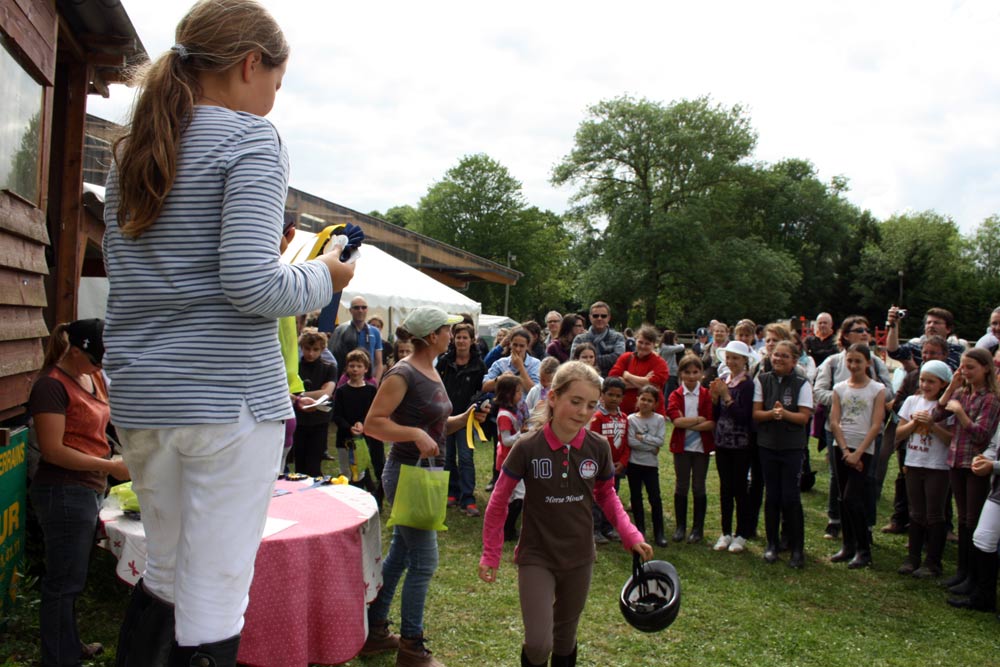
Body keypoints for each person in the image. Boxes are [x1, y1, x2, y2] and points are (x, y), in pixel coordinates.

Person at [104, 2, 356, 662]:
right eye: (278, 78)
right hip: (225, 406)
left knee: (163, 576)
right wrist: (327, 275)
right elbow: (252, 286)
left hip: (143, 400)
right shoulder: (251, 140)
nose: (275, 94)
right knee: (216, 598)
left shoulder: (134, 148)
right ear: (251, 65)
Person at [478, 361, 653, 667]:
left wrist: (631, 534)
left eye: (591, 405)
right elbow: (498, 501)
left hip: (579, 556)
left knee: (564, 639)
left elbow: (607, 496)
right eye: (575, 402)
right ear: (553, 398)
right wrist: (491, 553)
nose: (583, 412)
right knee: (538, 643)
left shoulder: (598, 447)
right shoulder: (527, 447)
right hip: (537, 555)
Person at [361, 307, 487, 666]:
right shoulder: (402, 373)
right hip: (407, 475)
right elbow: (373, 424)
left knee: (402, 552)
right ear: (432, 336)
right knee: (425, 560)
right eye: (449, 329)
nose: (454, 333)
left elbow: (435, 424)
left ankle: (374, 631)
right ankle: (412, 647)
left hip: (425, 475)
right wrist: (413, 433)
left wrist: (465, 418)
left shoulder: (430, 369)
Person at [29, 319, 131, 666]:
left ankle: (68, 647)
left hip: (87, 488)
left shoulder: (93, 376)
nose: (100, 368)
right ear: (74, 351)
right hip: (62, 491)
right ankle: (58, 658)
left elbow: (111, 419)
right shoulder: (50, 387)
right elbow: (53, 450)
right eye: (95, 361)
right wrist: (111, 466)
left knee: (74, 575)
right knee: (63, 582)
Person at [813, 315, 893, 541]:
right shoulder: (833, 362)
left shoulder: (875, 362)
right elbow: (819, 392)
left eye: (867, 329)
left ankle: (866, 524)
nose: (865, 333)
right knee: (838, 478)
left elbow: (889, 391)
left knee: (868, 477)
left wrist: (864, 395)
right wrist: (844, 398)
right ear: (846, 335)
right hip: (837, 429)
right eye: (859, 330)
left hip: (868, 430)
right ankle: (835, 520)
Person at [935, 348, 1000, 597]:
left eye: (971, 367)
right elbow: (938, 414)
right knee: (963, 519)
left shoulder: (990, 399)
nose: (965, 372)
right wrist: (951, 387)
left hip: (976, 465)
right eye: (963, 367)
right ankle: (962, 571)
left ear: (985, 369)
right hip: (956, 460)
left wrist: (960, 413)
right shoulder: (961, 393)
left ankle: (975, 575)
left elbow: (982, 433)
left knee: (973, 520)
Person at [753, 340, 814, 568]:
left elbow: (803, 417)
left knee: (791, 497)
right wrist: (772, 414)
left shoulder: (801, 383)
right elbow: (757, 413)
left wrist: (783, 414)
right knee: (772, 496)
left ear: (794, 360)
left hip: (792, 448)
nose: (778, 359)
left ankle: (797, 549)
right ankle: (772, 544)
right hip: (767, 445)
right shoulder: (762, 379)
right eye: (775, 355)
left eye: (784, 356)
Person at [882, 336, 950, 535]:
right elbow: (899, 407)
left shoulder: (949, 400)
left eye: (933, 352)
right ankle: (906, 533)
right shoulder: (912, 381)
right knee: (913, 502)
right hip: (913, 453)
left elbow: (949, 437)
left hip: (937, 461)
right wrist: (913, 421)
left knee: (935, 507)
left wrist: (931, 424)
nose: (927, 356)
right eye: (925, 352)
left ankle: (935, 546)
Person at [828, 343, 886, 569]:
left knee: (854, 497)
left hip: (864, 448)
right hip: (842, 446)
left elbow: (876, 424)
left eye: (858, 361)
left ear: (868, 363)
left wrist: (859, 452)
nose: (853, 366)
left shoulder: (876, 389)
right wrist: (844, 450)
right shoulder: (839, 388)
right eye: (849, 361)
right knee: (843, 497)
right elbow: (834, 421)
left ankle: (864, 549)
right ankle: (848, 545)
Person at [894, 360, 954, 578]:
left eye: (932, 381)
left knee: (934, 514)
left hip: (937, 466)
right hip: (914, 461)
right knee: (916, 512)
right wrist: (914, 425)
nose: (926, 385)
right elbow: (899, 433)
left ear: (943, 384)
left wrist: (932, 426)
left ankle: (933, 561)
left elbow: (950, 440)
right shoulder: (912, 401)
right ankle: (912, 558)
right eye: (923, 380)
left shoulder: (948, 407)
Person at [709, 341, 756, 554]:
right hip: (722, 442)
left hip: (741, 444)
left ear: (745, 360)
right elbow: (718, 416)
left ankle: (742, 533)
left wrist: (726, 397)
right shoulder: (724, 380)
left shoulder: (747, 384)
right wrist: (715, 399)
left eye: (735, 358)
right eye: (728, 358)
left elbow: (744, 417)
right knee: (725, 487)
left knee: (740, 488)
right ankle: (726, 531)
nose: (731, 362)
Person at [947, 427, 1000, 612]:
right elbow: (994, 444)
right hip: (998, 491)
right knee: (983, 538)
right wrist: (984, 457)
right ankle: (984, 598)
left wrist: (993, 466)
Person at [437, 322, 487, 517]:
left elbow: (483, 392)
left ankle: (468, 497)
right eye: (458, 337)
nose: (461, 341)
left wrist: (478, 407)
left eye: (465, 337)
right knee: (447, 457)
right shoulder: (444, 361)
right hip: (445, 417)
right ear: (453, 339)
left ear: (472, 340)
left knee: (466, 458)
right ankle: (452, 491)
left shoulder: (478, 365)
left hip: (467, 419)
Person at [666, 354, 715, 544]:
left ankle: (697, 528)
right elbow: (676, 421)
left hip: (701, 448)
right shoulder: (676, 395)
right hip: (682, 447)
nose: (692, 376)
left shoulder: (706, 395)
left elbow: (711, 423)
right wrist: (696, 420)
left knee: (699, 486)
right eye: (687, 372)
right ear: (681, 374)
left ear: (702, 373)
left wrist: (687, 424)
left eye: (696, 372)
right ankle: (680, 527)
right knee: (682, 485)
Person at [331, 349, 381, 500]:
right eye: (351, 365)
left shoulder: (371, 390)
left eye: (359, 366)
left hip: (363, 439)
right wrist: (348, 427)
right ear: (346, 368)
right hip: (344, 439)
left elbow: (374, 412)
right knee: (346, 471)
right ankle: (346, 500)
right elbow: (336, 416)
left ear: (366, 369)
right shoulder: (341, 391)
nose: (355, 369)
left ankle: (361, 498)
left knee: (360, 471)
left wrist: (363, 424)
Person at [627, 385, 668, 546]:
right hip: (634, 464)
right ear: (637, 399)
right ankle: (640, 530)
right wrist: (651, 445)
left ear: (655, 404)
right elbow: (631, 441)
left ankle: (659, 533)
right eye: (643, 399)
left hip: (651, 465)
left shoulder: (659, 420)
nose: (645, 403)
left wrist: (642, 438)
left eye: (650, 400)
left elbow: (660, 441)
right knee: (636, 498)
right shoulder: (631, 419)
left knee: (655, 498)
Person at [589, 377, 629, 544]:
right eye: (610, 394)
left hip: (617, 467)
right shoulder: (597, 418)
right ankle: (595, 529)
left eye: (618, 395)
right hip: (601, 467)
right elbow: (593, 443)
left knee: (613, 497)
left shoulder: (624, 418)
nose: (614, 399)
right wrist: (604, 464)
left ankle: (608, 527)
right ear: (601, 395)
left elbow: (626, 443)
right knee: (597, 498)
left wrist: (623, 462)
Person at [293, 329, 337, 477]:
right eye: (307, 349)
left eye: (315, 349)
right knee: (299, 465)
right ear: (301, 347)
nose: (311, 353)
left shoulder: (329, 367)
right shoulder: (295, 369)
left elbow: (326, 393)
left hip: (319, 422)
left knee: (314, 464)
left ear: (322, 349)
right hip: (299, 422)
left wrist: (299, 395)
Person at [608, 325, 669, 415]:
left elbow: (654, 385)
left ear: (653, 344)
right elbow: (613, 381)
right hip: (624, 414)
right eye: (640, 342)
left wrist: (627, 376)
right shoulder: (626, 358)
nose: (643, 346)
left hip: (651, 415)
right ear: (635, 340)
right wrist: (644, 381)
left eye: (647, 343)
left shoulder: (660, 363)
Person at [495, 375, 528, 541]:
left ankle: (507, 528)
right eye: (518, 391)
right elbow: (506, 439)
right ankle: (507, 528)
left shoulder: (513, 411)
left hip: (514, 458)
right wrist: (522, 435)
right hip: (509, 460)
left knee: (515, 495)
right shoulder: (504, 416)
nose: (521, 395)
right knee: (518, 495)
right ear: (508, 394)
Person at [886, 306, 965, 371]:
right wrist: (894, 325)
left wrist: (915, 370)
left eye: (936, 323)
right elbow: (894, 351)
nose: (931, 325)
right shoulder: (916, 346)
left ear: (948, 329)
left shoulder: (956, 350)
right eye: (928, 322)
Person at [330, 296, 384, 383]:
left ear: (367, 309)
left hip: (368, 381)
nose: (360, 310)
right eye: (356, 307)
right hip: (346, 380)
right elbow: (333, 359)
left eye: (363, 307)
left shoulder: (375, 332)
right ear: (350, 310)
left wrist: (375, 382)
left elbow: (379, 363)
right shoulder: (341, 330)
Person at [570, 301, 626, 377]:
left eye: (603, 316)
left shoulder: (618, 337)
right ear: (590, 317)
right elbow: (574, 361)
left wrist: (588, 359)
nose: (599, 318)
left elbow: (619, 358)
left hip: (612, 382)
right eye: (595, 316)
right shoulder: (580, 339)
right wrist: (609, 357)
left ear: (609, 317)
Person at [482, 328, 541, 394]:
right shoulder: (500, 363)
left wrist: (521, 367)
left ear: (527, 346)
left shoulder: (535, 363)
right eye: (515, 345)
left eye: (522, 346)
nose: (518, 349)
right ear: (510, 344)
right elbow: (485, 387)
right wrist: (501, 379)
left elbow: (535, 391)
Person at [658, 329, 685, 396]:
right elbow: (681, 347)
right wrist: (681, 344)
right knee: (669, 393)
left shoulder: (663, 346)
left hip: (665, 372)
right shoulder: (667, 348)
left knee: (665, 391)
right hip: (670, 373)